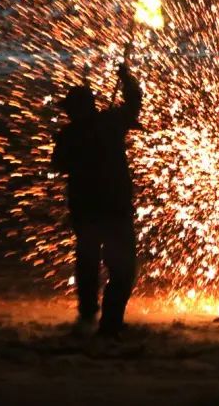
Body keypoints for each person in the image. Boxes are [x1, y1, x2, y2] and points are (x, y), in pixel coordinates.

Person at [51, 64, 142, 338]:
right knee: (121, 267)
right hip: (113, 209)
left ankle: (90, 314)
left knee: (89, 263)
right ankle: (110, 320)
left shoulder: (70, 135)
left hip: (89, 210)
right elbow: (134, 102)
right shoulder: (109, 123)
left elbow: (58, 166)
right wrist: (127, 79)